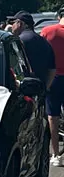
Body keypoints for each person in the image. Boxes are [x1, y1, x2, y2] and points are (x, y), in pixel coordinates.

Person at [41, 8, 64, 165]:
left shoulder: (48, 31)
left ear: (59, 17)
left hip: (54, 77)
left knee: (53, 116)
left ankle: (56, 154)